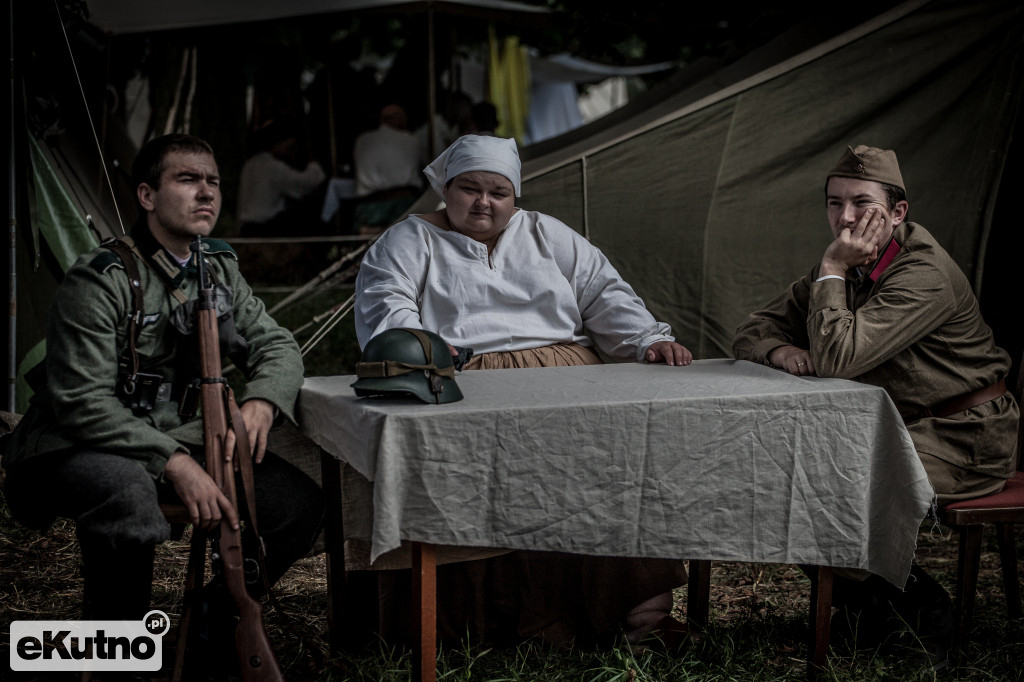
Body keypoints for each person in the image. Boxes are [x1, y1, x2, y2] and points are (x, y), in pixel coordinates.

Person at [2, 134, 325, 674]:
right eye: (187, 179)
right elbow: (81, 401)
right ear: (147, 196)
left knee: (295, 503)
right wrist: (173, 464)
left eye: (213, 181)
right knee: (129, 496)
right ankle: (119, 655)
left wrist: (261, 404)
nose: (206, 193)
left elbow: (277, 344)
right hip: (70, 443)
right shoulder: (100, 278)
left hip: (168, 437)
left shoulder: (217, 269)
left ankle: (210, 625)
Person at [354, 134, 692, 648]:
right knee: (470, 491)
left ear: (515, 196)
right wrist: (427, 354)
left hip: (566, 374)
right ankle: (474, 628)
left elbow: (602, 291)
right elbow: (389, 305)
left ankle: (637, 616)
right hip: (464, 382)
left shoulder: (545, 233)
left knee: (609, 472)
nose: (484, 203)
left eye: (499, 192)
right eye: (470, 189)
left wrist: (646, 339)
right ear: (447, 187)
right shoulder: (410, 240)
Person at [732, 144, 1019, 666]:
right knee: (788, 476)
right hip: (899, 428)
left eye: (861, 203)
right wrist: (783, 349)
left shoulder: (920, 272)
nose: (844, 218)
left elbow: (838, 357)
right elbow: (752, 330)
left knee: (828, 491)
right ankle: (872, 611)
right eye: (833, 202)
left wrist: (831, 270)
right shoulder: (852, 263)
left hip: (964, 437)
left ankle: (925, 616)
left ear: (898, 212)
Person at [237, 118, 327, 236]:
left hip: (247, 226)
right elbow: (303, 183)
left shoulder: (250, 164)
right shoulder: (272, 166)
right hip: (264, 226)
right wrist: (314, 166)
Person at [351, 103, 425, 234]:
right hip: (402, 204)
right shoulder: (411, 139)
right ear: (401, 119)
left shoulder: (362, 140)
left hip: (369, 207)